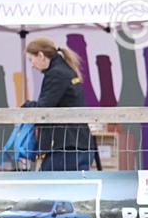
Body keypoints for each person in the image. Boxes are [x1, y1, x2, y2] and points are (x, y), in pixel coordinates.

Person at [25, 37, 95, 171]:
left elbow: (43, 110)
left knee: (46, 189)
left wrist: (26, 106)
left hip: (65, 147)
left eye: (31, 59)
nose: (32, 65)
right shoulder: (66, 70)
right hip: (79, 144)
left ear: (41, 55)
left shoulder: (55, 74)